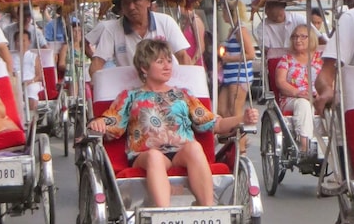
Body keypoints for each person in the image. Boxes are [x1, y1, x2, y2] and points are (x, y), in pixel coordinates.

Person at [87, 39, 259, 210]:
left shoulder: (182, 94)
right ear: (144, 67)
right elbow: (112, 121)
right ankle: (164, 213)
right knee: (155, 157)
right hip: (146, 155)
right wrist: (99, 122)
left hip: (180, 152)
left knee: (194, 147)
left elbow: (213, 123)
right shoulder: (130, 96)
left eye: (169, 61)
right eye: (160, 62)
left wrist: (242, 119)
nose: (167, 66)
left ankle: (208, 209)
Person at [88, 0, 191, 75]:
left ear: (148, 2)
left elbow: (183, 57)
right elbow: (97, 63)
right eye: (126, 3)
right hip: (130, 88)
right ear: (121, 7)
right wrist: (97, 84)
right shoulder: (111, 29)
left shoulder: (166, 22)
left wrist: (185, 86)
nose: (131, 7)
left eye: (136, 0)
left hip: (166, 86)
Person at [275, 24, 322, 156]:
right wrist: (298, 93)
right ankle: (305, 144)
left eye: (302, 36)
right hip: (292, 98)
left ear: (311, 38)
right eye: (295, 37)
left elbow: (330, 80)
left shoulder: (321, 58)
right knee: (304, 103)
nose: (298, 40)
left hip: (317, 96)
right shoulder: (286, 59)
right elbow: (280, 82)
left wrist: (321, 94)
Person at [218, 0, 255, 125]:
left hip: (240, 76)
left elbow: (250, 54)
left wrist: (229, 58)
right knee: (222, 110)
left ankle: (241, 142)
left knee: (235, 112)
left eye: (223, 11)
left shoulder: (241, 30)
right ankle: (233, 137)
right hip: (230, 76)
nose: (222, 14)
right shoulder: (232, 30)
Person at [13, 30, 43, 114]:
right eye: (18, 41)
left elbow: (39, 75)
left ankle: (31, 116)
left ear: (29, 42)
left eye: (23, 40)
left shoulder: (34, 56)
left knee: (31, 90)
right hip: (16, 83)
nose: (20, 43)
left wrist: (30, 81)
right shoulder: (11, 58)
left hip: (32, 82)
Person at [179, 0, 206, 66]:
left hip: (195, 64)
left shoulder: (195, 21)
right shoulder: (186, 21)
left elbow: (201, 46)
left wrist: (192, 62)